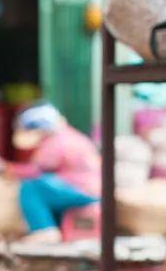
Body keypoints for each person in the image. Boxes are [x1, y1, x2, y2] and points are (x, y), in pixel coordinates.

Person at [12, 101, 101, 244]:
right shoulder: (73, 135)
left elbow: (35, 171)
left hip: (82, 191)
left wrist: (7, 169)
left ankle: (44, 230)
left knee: (31, 187)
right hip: (93, 191)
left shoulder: (56, 141)